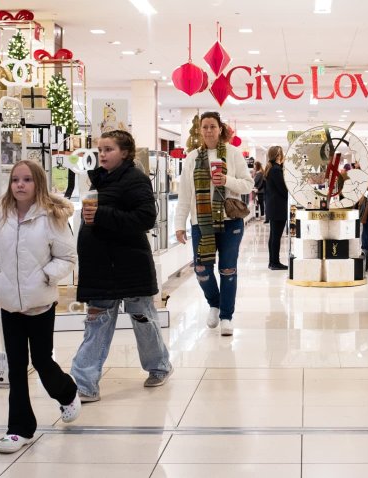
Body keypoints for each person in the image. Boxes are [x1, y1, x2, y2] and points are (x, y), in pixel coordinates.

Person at [0, 160, 81, 454]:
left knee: (41, 361)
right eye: (16, 180)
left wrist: (45, 277)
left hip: (40, 304)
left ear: (37, 183)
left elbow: (67, 258)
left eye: (27, 180)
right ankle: (19, 429)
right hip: (9, 304)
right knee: (15, 368)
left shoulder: (51, 217)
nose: (20, 185)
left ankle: (67, 391)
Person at [71, 130, 172, 402]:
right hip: (100, 267)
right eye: (100, 149)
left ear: (125, 153)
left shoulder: (135, 179)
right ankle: (84, 384)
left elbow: (146, 217)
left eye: (108, 149)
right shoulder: (97, 180)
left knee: (143, 318)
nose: (102, 154)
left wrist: (102, 213)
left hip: (130, 265)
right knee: (96, 323)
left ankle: (159, 365)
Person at [175, 112, 254, 335]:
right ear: (200, 130)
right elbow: (184, 195)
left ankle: (227, 316)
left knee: (228, 269)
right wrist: (179, 225)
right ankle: (215, 303)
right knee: (201, 269)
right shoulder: (191, 158)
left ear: (220, 129)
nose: (209, 130)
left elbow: (248, 185)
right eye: (205, 127)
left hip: (230, 222)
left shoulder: (233, 153)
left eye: (213, 126)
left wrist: (227, 180)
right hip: (201, 222)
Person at [264, 145, 289, 270]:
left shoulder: (271, 169)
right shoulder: (276, 170)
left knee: (273, 236)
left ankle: (272, 261)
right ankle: (275, 262)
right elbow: (283, 189)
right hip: (278, 207)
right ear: (278, 155)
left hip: (273, 207)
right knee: (276, 237)